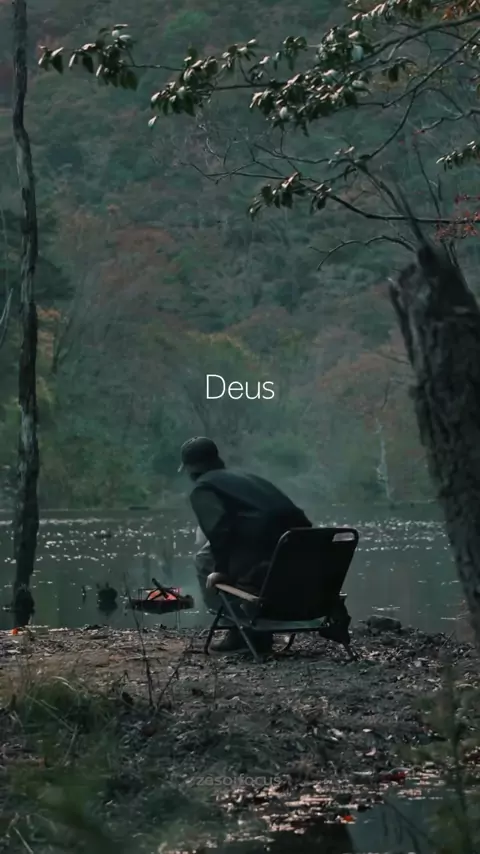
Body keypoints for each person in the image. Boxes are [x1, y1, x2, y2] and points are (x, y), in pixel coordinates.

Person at [179, 436, 312, 653]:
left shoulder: (203, 488)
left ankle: (240, 629)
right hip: (298, 555)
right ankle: (253, 626)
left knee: (204, 560)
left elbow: (218, 531)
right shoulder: (248, 478)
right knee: (234, 560)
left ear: (190, 470)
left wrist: (221, 570)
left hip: (263, 557)